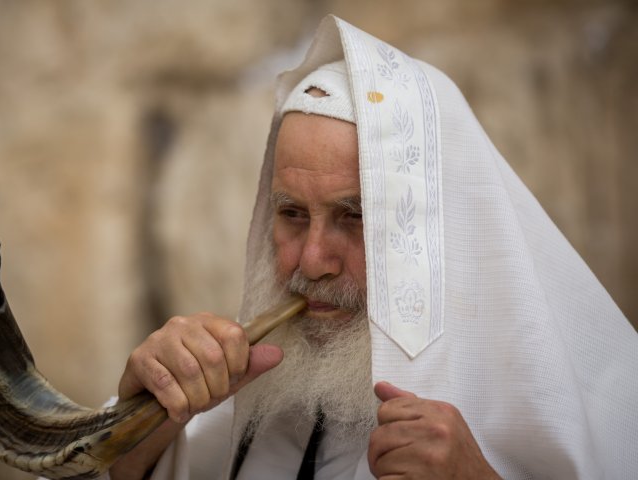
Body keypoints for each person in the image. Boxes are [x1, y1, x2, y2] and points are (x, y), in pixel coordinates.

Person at [108, 15, 638, 479]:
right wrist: (134, 433)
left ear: (437, 232)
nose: (312, 262)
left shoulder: (611, 407)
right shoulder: (234, 411)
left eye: (355, 217)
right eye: (292, 213)